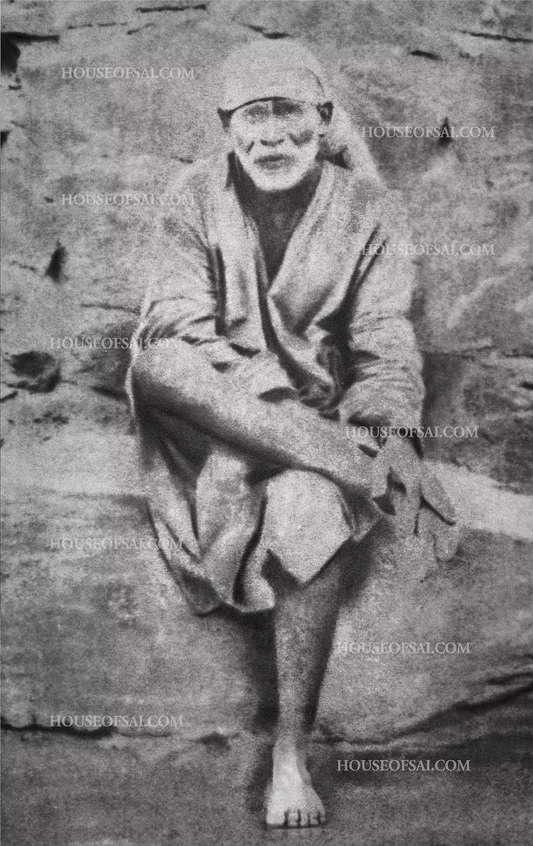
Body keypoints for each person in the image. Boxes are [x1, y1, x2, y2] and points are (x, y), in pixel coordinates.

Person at [128, 39, 457, 829]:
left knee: (309, 505)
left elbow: (384, 339)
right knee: (156, 364)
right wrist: (273, 403)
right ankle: (352, 467)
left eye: (288, 115)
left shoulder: (370, 210)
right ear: (225, 125)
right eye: (253, 117)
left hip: (318, 419)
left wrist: (383, 429)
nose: (271, 136)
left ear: (324, 119)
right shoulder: (192, 194)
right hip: (217, 416)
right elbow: (175, 322)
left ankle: (288, 751)